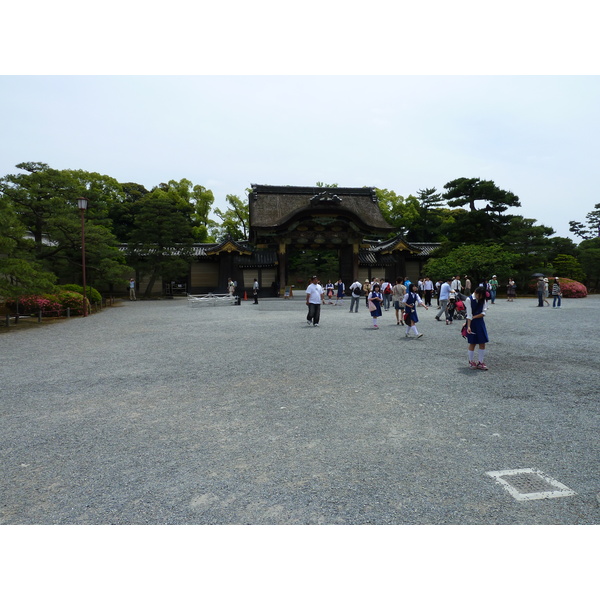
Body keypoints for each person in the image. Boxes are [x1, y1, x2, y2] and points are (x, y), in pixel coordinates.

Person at [466, 285, 489, 370]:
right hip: (471, 323)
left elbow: (483, 313)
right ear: (476, 292)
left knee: (482, 342)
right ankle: (471, 361)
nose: (480, 297)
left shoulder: (483, 300)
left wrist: (474, 317)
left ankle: (480, 362)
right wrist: (468, 326)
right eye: (479, 295)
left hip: (479, 322)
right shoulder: (469, 299)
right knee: (472, 343)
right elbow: (468, 314)